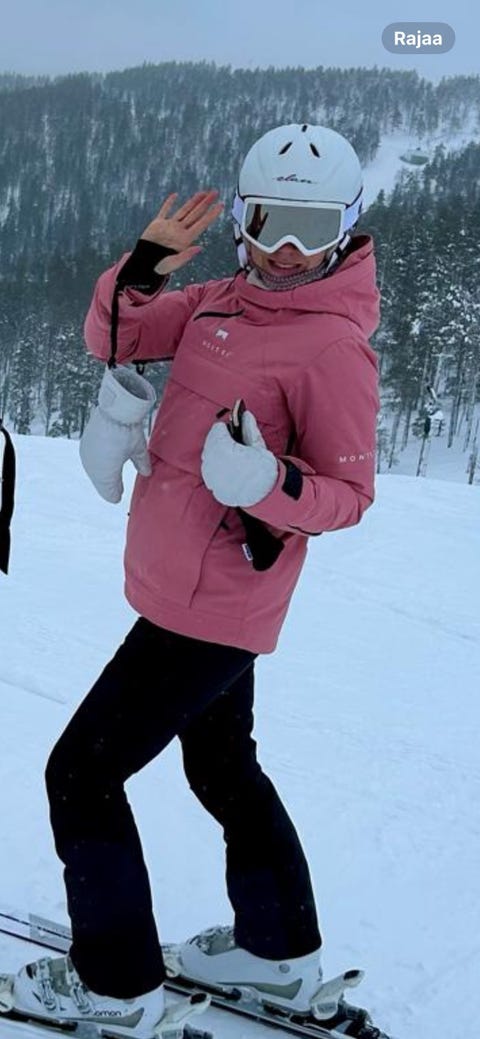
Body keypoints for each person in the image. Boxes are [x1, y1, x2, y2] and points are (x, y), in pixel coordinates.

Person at [11, 123, 380, 1038]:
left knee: (81, 773)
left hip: (214, 604)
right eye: (269, 221)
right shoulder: (220, 301)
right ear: (244, 218)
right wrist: (144, 268)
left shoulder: (333, 347)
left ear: (344, 229)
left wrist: (269, 482)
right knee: (220, 762)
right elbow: (116, 336)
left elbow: (348, 496)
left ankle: (116, 985)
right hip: (181, 586)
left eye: (310, 227)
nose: (287, 248)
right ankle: (277, 952)